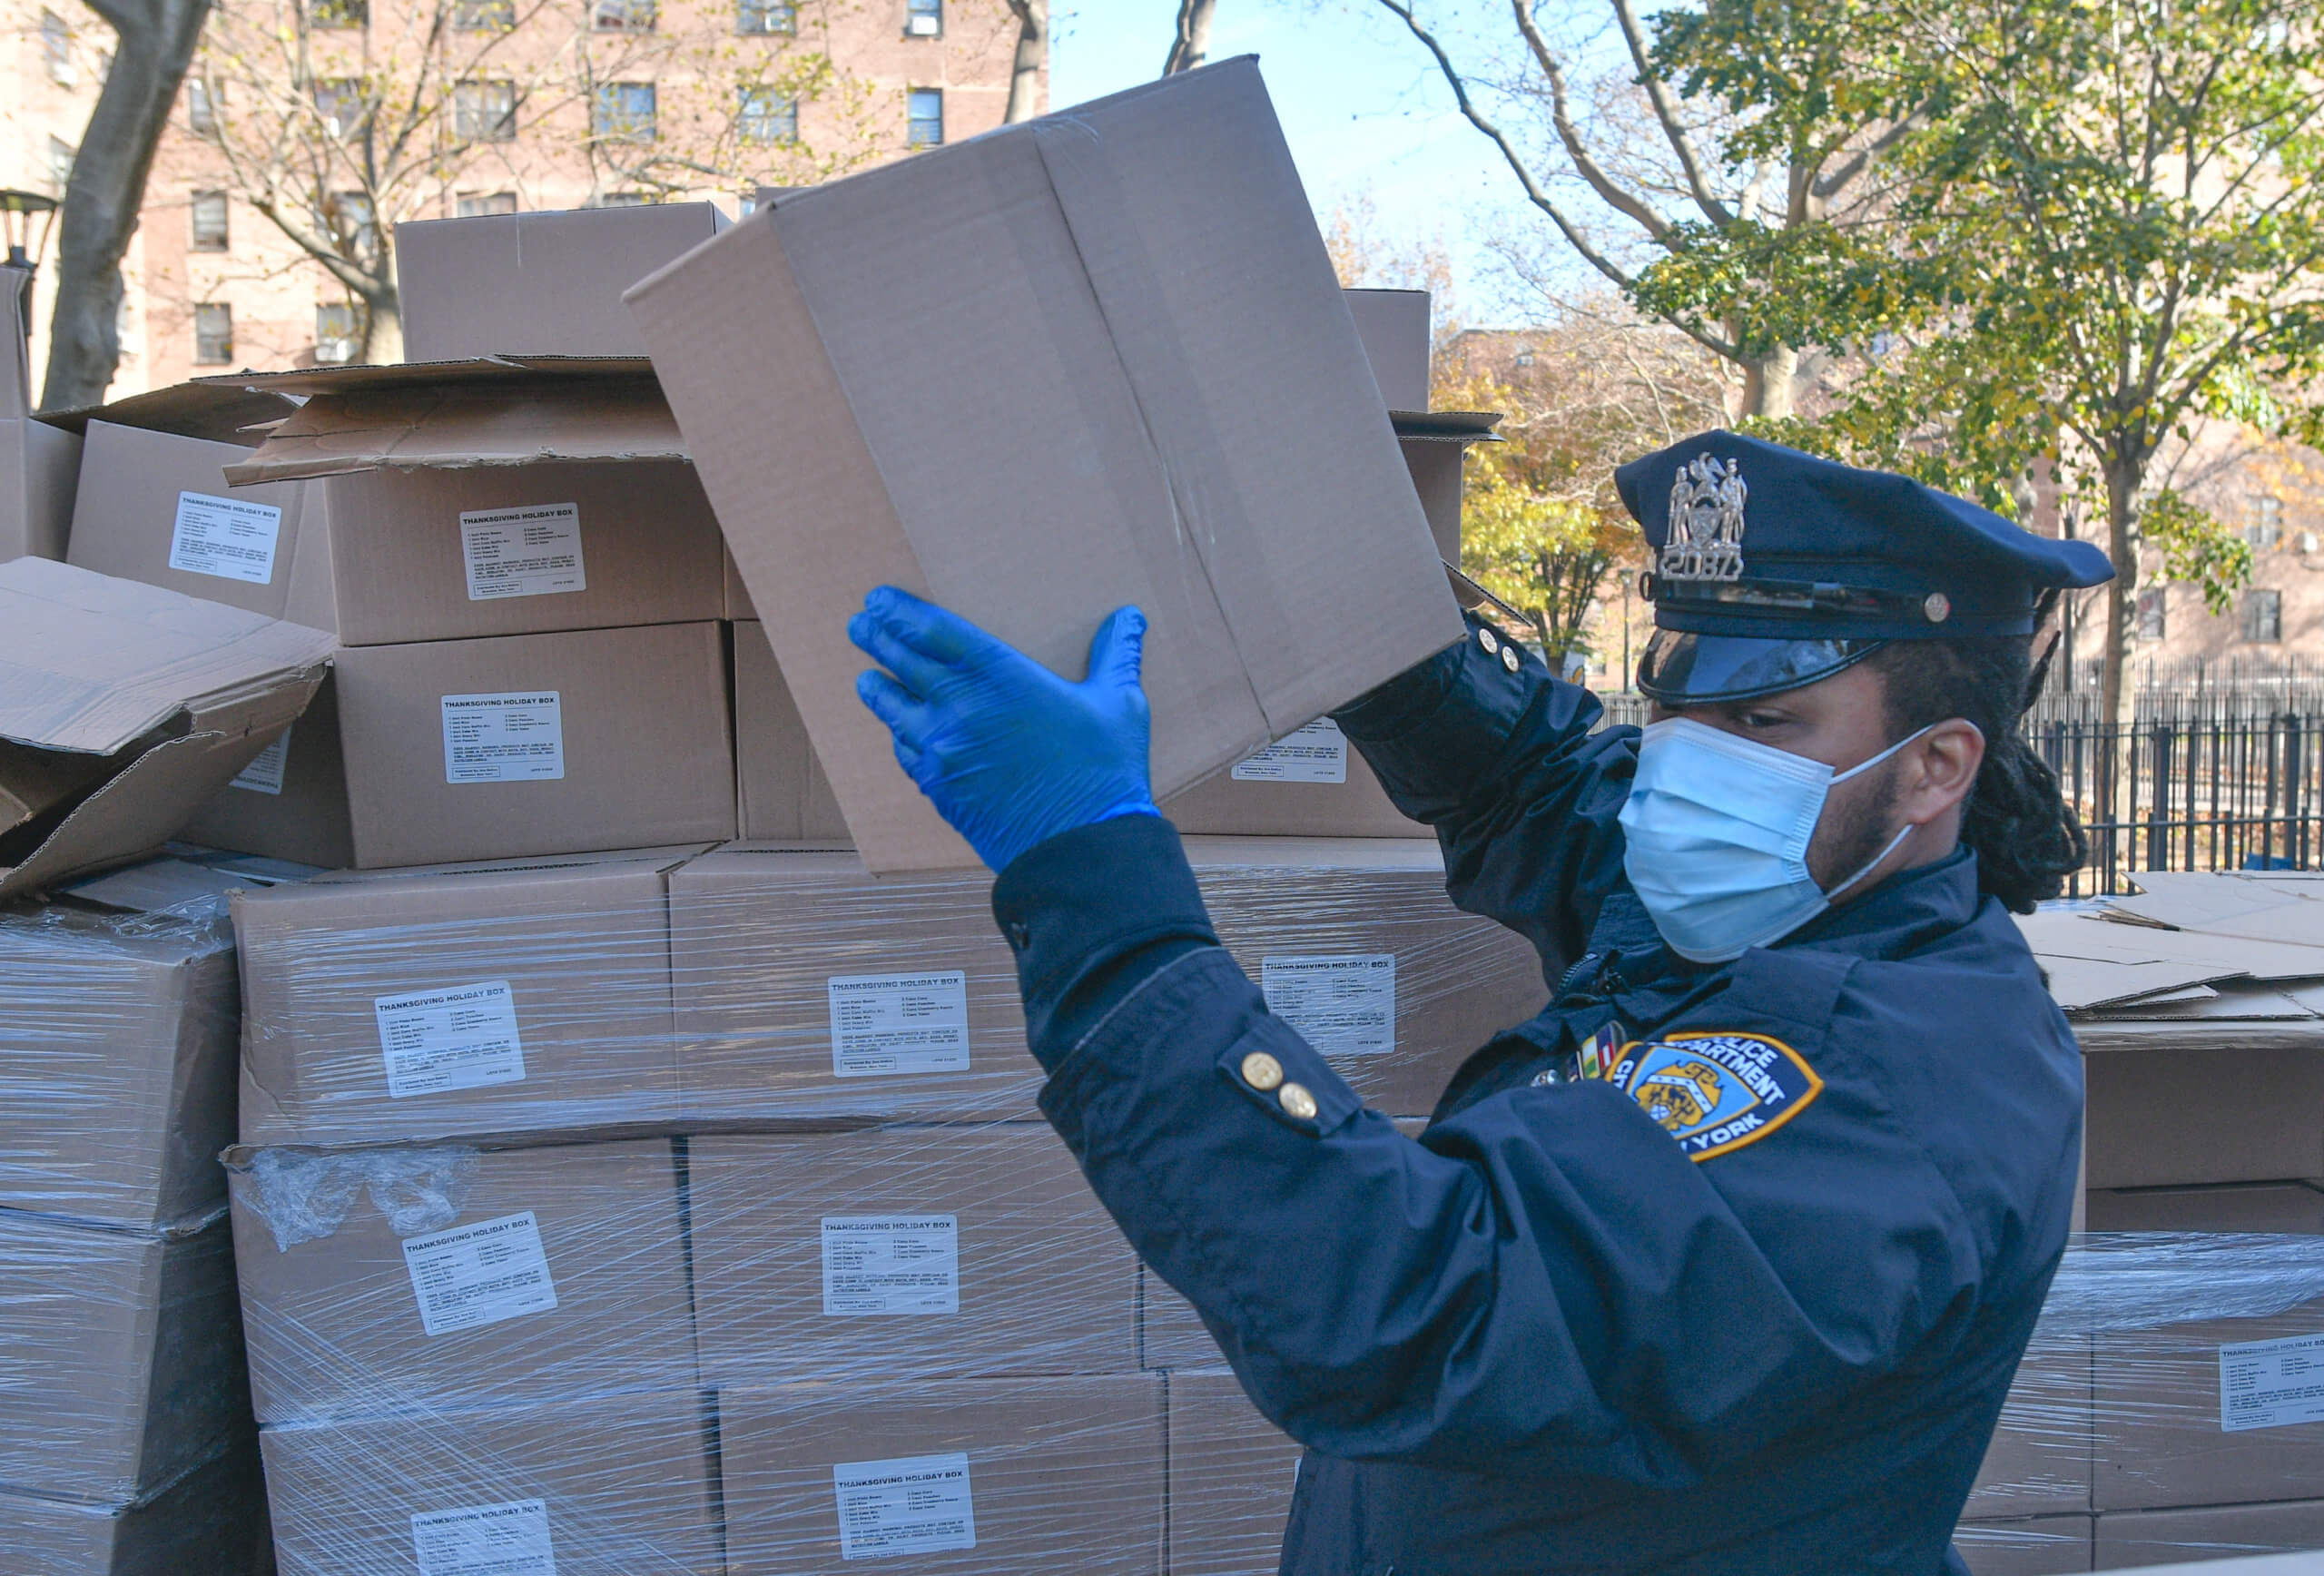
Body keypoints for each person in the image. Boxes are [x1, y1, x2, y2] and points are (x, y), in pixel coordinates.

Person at [847, 430, 2113, 1574]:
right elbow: (1543, 786)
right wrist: (1371, 641)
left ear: (1935, 767)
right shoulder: (1778, 892)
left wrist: (1093, 873)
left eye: (1758, 718)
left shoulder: (1896, 1087)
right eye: (1671, 701)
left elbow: (1413, 1305)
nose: (1683, 761)